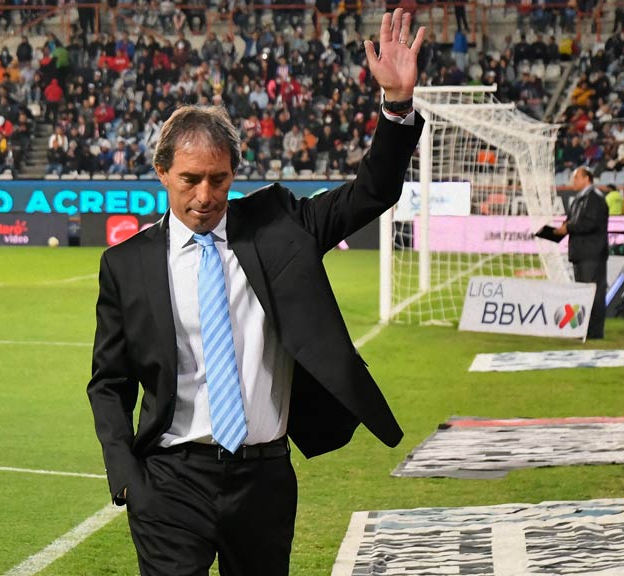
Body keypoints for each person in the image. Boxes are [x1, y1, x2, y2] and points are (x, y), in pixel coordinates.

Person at [87, 8, 425, 576]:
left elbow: (372, 192)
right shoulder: (126, 264)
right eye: (189, 179)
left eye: (218, 179)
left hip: (263, 479)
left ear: (234, 174)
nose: (204, 194)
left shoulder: (277, 225)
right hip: (169, 483)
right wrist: (127, 477)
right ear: (162, 173)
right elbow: (109, 382)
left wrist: (394, 106)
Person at [556, 166, 609, 339]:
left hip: (592, 254)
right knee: (584, 292)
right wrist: (559, 230)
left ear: (587, 179)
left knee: (593, 292)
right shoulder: (580, 198)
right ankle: (584, 329)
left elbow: (590, 223)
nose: (574, 181)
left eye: (577, 178)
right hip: (581, 253)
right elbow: (573, 220)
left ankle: (594, 331)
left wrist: (568, 227)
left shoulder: (594, 198)